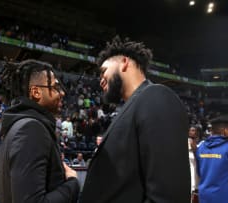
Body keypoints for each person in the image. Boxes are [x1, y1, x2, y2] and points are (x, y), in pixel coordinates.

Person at [80, 36, 190, 203]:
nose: (100, 80)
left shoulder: (156, 97)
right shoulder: (133, 106)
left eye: (103, 71)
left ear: (124, 62)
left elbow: (168, 197)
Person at [0, 59, 80, 203]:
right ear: (36, 92)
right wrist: (72, 184)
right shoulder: (31, 129)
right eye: (55, 87)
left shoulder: (19, 126)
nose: (62, 93)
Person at [196, 116, 228, 203]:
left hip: (204, 195)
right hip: (222, 196)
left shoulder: (201, 147)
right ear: (225, 130)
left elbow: (200, 173)